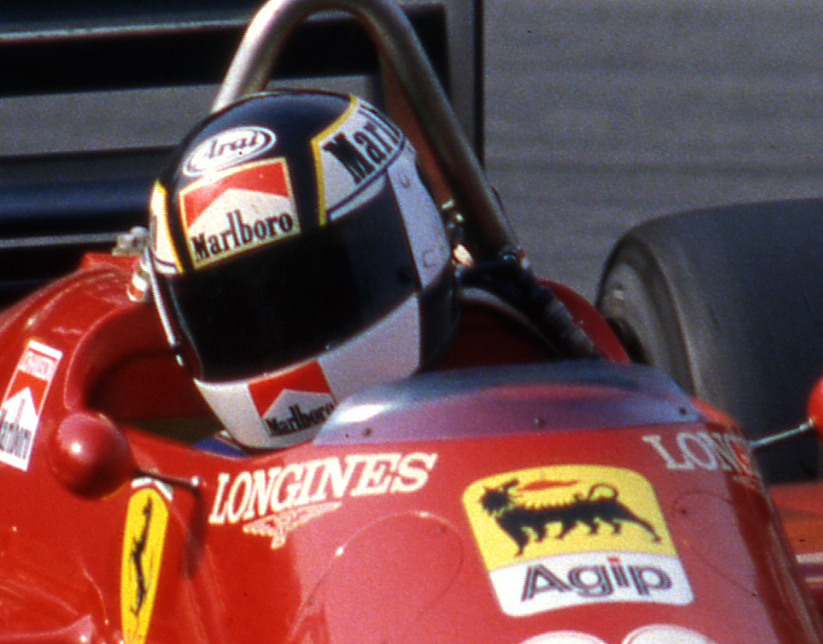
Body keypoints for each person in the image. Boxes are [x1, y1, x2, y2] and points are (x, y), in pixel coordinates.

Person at [141, 88, 578, 448]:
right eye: (233, 314)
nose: (278, 327)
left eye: (313, 289)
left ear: (418, 237)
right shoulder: (198, 481)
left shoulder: (517, 334)